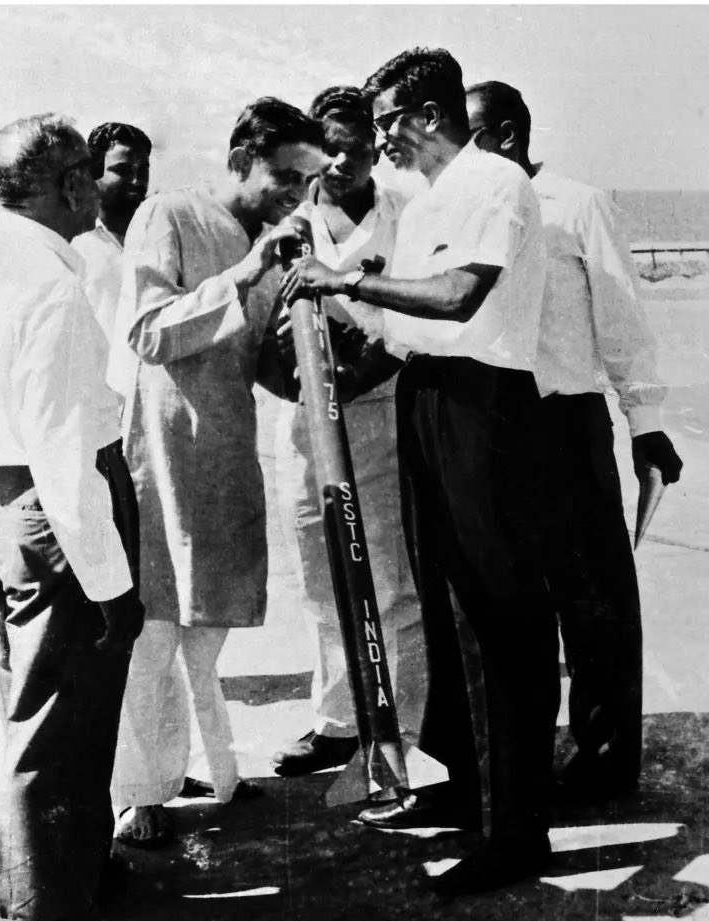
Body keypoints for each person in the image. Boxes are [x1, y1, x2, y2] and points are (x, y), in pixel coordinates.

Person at [281, 48, 558, 894]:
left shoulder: (496, 184)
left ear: (427, 116)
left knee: (503, 617)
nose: (383, 140)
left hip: (487, 406)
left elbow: (456, 297)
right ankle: (473, 791)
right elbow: (408, 325)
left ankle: (518, 830)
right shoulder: (433, 196)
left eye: (390, 122)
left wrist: (348, 276)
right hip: (429, 397)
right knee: (448, 609)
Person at [0, 113, 144, 921]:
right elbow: (65, 457)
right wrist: (111, 586)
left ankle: (76, 871)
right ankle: (43, 905)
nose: (99, 187)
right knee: (56, 729)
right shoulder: (54, 289)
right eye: (90, 174)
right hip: (48, 508)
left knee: (33, 710)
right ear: (68, 186)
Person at [110, 97, 324, 847]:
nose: (297, 197)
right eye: (286, 178)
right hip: (163, 451)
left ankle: (216, 770)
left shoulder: (265, 243)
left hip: (228, 450)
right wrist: (246, 270)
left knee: (209, 629)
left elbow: (264, 361)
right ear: (239, 161)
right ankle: (141, 793)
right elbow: (147, 332)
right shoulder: (167, 213)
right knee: (156, 632)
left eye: (309, 184)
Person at [464, 80, 684, 800]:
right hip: (491, 430)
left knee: (595, 607)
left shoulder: (578, 204)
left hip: (566, 423)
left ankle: (605, 760)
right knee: (509, 606)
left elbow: (621, 319)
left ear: (504, 134)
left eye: (469, 135)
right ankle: (517, 764)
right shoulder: (467, 211)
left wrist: (645, 424)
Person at [271, 85, 426, 777]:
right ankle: (338, 720)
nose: (342, 160)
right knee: (321, 575)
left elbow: (416, 323)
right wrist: (304, 383)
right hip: (306, 423)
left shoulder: (409, 214)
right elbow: (261, 333)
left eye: (356, 145)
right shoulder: (288, 221)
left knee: (394, 578)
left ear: (376, 145)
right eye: (327, 147)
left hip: (386, 413)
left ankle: (411, 724)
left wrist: (357, 375)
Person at [71, 122, 152, 392]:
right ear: (94, 172)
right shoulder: (75, 243)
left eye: (143, 171)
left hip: (150, 405)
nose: (137, 181)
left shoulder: (158, 237)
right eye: (123, 170)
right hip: (97, 410)